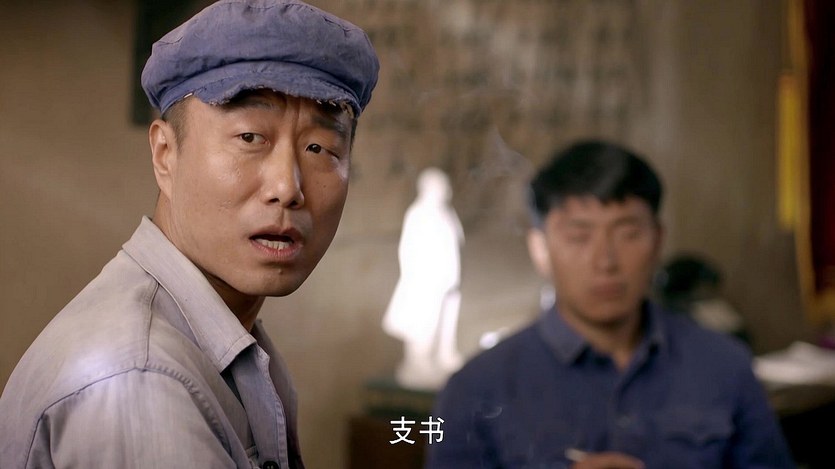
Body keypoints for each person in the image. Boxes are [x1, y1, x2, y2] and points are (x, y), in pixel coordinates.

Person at [0, 1, 378, 468]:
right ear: (165, 153)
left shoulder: (226, 340)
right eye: (250, 138)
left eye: (320, 148)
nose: (287, 187)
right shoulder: (142, 379)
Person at [426, 140, 794, 469]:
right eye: (579, 236)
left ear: (657, 241)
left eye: (629, 233)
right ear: (540, 249)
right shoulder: (477, 388)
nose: (606, 261)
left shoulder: (724, 366)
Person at [383, 167, 466, 390]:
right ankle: (420, 363)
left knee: (444, 323)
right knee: (424, 324)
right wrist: (418, 278)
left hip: (448, 282)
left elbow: (456, 242)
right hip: (427, 283)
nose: (446, 191)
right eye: (441, 187)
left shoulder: (446, 213)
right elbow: (408, 249)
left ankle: (442, 357)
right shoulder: (418, 213)